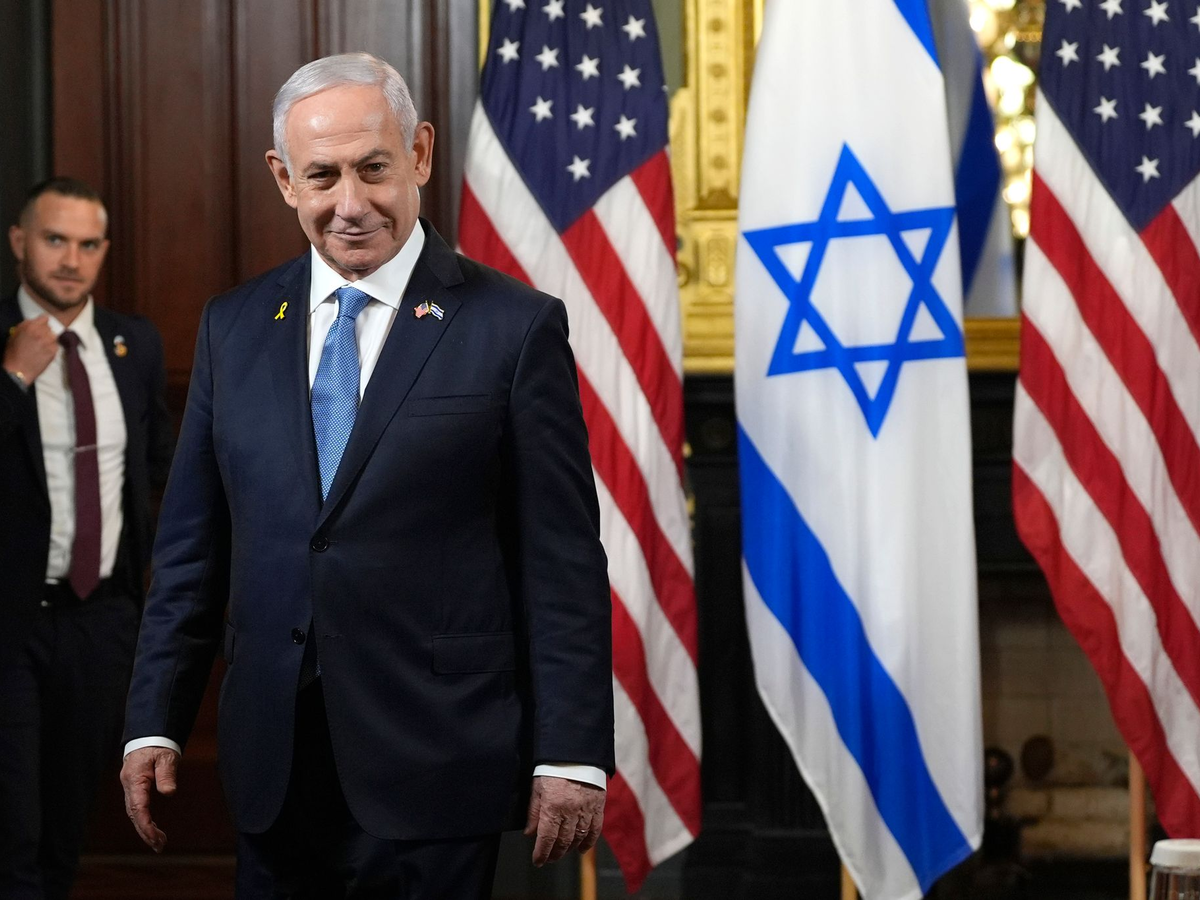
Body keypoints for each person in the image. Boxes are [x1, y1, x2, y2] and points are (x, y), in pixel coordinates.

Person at [119, 52, 614, 899]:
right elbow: (191, 554)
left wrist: (570, 753)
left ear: (419, 154)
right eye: (322, 176)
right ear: (284, 179)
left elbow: (561, 560)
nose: (350, 204)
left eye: (373, 168)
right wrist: (153, 722)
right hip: (275, 766)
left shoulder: (514, 327)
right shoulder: (234, 326)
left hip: (438, 762)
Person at [0, 178, 174, 900]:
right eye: (55, 240)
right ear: (20, 242)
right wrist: (13, 377)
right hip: (11, 623)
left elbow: (161, 469)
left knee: (68, 822)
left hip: (102, 623)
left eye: (88, 244)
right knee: (12, 831)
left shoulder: (134, 344)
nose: (72, 260)